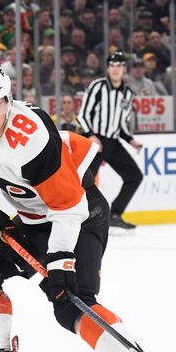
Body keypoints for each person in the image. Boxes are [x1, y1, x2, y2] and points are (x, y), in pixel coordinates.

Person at [0, 60, 176, 352]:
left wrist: (61, 261)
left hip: (81, 211)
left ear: (9, 101)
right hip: (36, 217)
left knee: (71, 301)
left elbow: (69, 207)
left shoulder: (30, 137)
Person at [77, 51, 143, 230]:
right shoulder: (98, 86)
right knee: (83, 183)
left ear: (124, 69)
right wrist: (91, 135)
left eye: (120, 66)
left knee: (134, 177)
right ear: (107, 68)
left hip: (113, 143)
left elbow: (122, 124)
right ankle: (78, 217)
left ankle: (115, 214)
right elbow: (83, 115)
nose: (116, 69)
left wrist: (131, 140)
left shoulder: (127, 94)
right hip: (94, 142)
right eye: (112, 66)